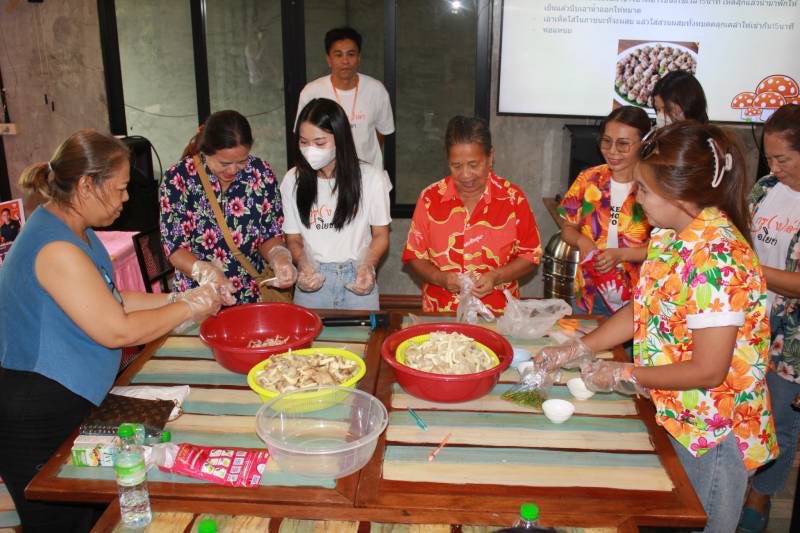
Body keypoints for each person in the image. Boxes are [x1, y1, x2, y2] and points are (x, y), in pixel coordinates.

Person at [538, 122, 778, 533]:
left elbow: (709, 370)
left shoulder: (718, 258)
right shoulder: (670, 236)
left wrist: (626, 372)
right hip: (675, 414)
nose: (636, 197)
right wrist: (578, 348)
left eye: (644, 189)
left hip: (712, 433)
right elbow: (642, 310)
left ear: (680, 194)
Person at [0, 130, 222, 532]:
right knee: (62, 523)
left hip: (70, 397)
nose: (125, 198)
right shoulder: (55, 248)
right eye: (120, 188)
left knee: (94, 514)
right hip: (36, 412)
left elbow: (115, 297)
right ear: (87, 185)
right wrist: (190, 307)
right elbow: (117, 329)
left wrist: (185, 296)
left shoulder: (76, 230)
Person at [403, 115, 542, 313]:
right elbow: (414, 255)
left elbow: (531, 255)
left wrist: (497, 277)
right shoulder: (430, 198)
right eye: (456, 166)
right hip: (442, 311)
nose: (466, 175)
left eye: (473, 164)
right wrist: (440, 278)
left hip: (498, 312)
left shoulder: (512, 198)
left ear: (490, 157)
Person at [738, 104, 800, 533]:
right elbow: (742, 238)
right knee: (745, 410)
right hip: (755, 320)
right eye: (770, 158)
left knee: (779, 419)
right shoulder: (763, 189)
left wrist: (747, 271)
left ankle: (757, 503)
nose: (774, 167)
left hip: (793, 336)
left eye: (784, 159)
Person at [160, 110, 296, 304]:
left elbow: (269, 233)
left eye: (242, 161)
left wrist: (280, 257)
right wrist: (207, 273)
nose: (233, 170)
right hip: (200, 296)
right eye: (224, 163)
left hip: (252, 294)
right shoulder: (178, 179)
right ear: (205, 151)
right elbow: (174, 247)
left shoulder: (260, 173)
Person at [281, 98, 391, 310]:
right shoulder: (292, 180)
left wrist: (367, 266)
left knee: (363, 341)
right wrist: (303, 264)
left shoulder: (370, 178)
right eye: (303, 142)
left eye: (320, 143)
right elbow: (293, 238)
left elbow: (380, 235)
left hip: (356, 276)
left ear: (340, 139)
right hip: (313, 279)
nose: (310, 150)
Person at [558, 106, 652, 316]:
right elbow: (568, 228)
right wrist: (582, 241)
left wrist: (621, 255)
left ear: (643, 143)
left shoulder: (654, 185)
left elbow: (666, 247)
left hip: (636, 298)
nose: (612, 151)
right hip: (589, 291)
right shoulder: (588, 179)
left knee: (623, 351)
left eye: (623, 144)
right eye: (606, 141)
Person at [296, 27, 394, 171]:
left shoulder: (376, 90)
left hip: (366, 174)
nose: (345, 61)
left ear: (359, 58)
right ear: (329, 59)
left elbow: (382, 131)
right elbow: (302, 135)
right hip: (326, 174)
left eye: (351, 54)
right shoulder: (311, 92)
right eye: (338, 55)